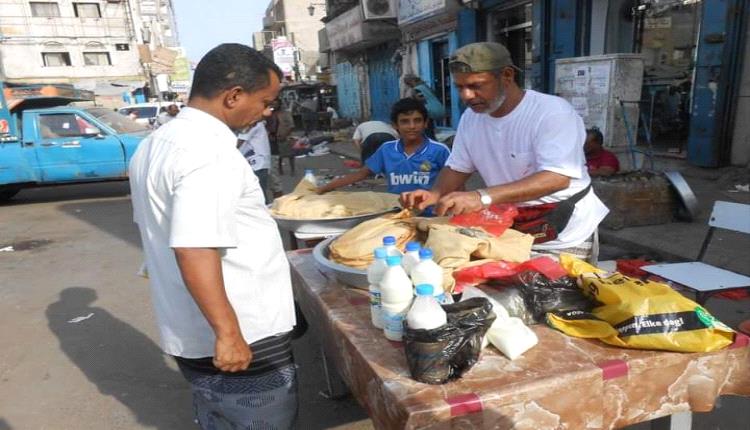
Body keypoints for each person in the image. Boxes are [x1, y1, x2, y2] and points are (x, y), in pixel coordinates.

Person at [128, 44, 297, 429]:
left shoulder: (154, 144)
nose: (268, 112)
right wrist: (229, 333)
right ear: (233, 96)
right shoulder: (208, 152)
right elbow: (194, 245)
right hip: (242, 326)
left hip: (191, 327)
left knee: (219, 417)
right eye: (266, 101)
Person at [400, 42, 609, 262]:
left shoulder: (552, 113)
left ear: (507, 76)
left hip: (563, 233)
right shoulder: (471, 118)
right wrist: (435, 193)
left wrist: (482, 196)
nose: (467, 96)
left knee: (561, 293)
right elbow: (458, 166)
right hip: (509, 226)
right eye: (459, 87)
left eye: (476, 85)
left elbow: (557, 177)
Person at [317, 98, 450, 205]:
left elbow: (456, 184)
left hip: (430, 215)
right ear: (395, 125)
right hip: (396, 212)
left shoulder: (439, 150)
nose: (412, 126)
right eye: (405, 121)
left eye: (417, 121)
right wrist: (326, 187)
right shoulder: (387, 149)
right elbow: (362, 174)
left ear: (426, 123)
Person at [237, 121, 272, 203]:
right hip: (254, 163)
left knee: (257, 196)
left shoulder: (252, 123)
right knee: (257, 195)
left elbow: (238, 142)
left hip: (256, 164)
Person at [404, 74, 446, 139]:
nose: (409, 85)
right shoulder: (425, 86)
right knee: (430, 131)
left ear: (411, 81)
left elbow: (421, 101)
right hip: (431, 111)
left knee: (427, 132)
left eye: (408, 83)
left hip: (426, 112)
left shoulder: (417, 90)